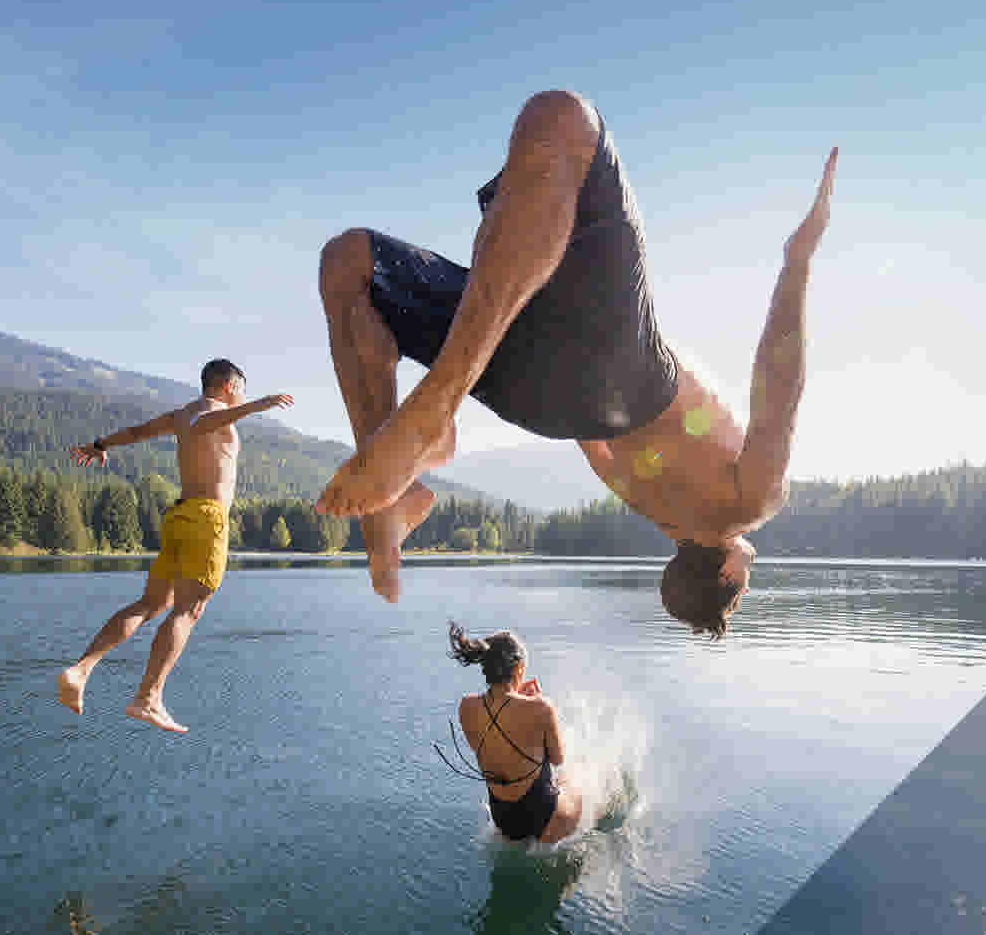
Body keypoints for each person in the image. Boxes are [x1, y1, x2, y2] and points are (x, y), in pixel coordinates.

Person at [313, 89, 832, 640]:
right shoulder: (659, 508)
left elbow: (779, 390)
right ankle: (388, 509)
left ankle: (427, 417)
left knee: (562, 120)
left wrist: (796, 263)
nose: (748, 574)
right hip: (544, 401)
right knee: (351, 265)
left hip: (622, 373)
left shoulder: (754, 502)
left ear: (726, 569)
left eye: (742, 584)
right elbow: (597, 452)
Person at [54, 359, 294, 733]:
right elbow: (205, 426)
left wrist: (101, 445)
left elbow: (138, 431)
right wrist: (256, 407)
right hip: (207, 518)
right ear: (231, 386)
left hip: (179, 516)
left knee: (152, 604)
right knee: (190, 609)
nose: (243, 397)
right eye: (242, 391)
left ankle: (81, 670)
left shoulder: (183, 415)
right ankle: (147, 698)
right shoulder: (212, 417)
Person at [441, 623, 586, 845]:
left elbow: (493, 746)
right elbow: (558, 759)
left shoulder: (466, 706)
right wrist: (534, 703)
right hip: (545, 815)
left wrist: (519, 699)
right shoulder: (541, 707)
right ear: (518, 668)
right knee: (577, 777)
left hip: (504, 820)